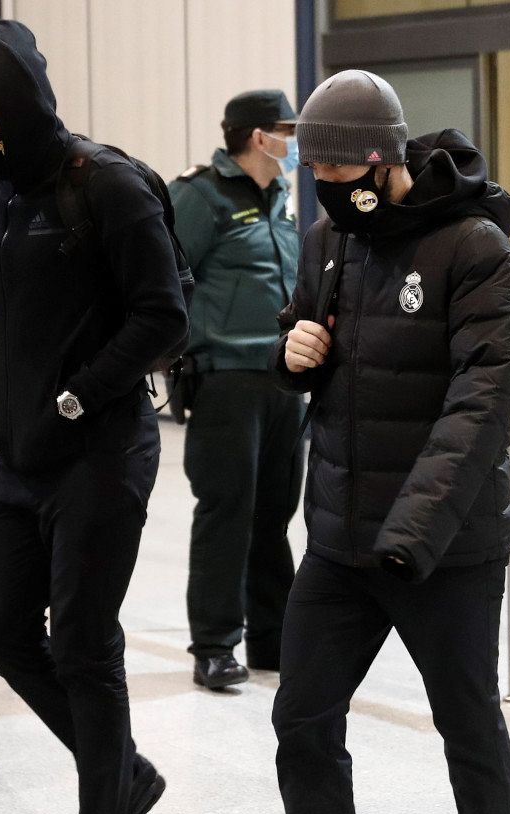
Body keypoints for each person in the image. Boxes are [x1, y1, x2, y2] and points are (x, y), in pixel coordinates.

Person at [0, 20, 186, 814]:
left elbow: (165, 317)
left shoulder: (107, 186)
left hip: (101, 450)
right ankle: (123, 776)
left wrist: (78, 391)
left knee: (83, 642)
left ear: (24, 105)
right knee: (1, 628)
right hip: (19, 454)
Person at [270, 69, 510, 814]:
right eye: (318, 180)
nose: (328, 194)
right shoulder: (327, 240)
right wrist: (293, 354)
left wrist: (413, 534)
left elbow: (477, 405)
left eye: (341, 178)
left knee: (470, 736)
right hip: (341, 542)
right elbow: (311, 338)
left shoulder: (475, 248)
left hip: (441, 550)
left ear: (383, 162)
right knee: (302, 725)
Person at [168, 89, 304, 691]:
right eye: (287, 130)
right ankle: (215, 645)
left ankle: (273, 640)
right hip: (225, 381)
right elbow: (165, 280)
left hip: (284, 380)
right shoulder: (199, 197)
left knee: (275, 513)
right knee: (228, 512)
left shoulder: (280, 199)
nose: (295, 143)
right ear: (258, 136)